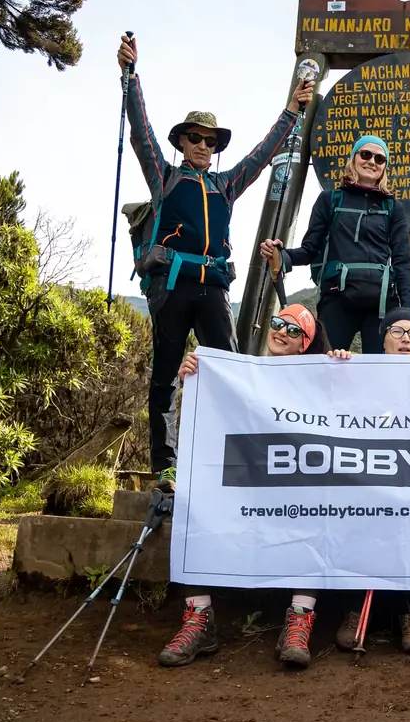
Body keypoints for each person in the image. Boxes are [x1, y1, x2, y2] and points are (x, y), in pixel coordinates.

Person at [116, 34, 314, 481]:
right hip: (171, 286)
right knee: (165, 377)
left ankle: (230, 460)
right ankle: (165, 468)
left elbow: (263, 156)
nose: (203, 145)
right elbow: (140, 132)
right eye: (195, 138)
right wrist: (130, 77)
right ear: (182, 142)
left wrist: (293, 111)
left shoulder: (225, 184)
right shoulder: (164, 177)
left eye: (210, 140)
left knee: (230, 373)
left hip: (213, 289)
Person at [156, 304, 329, 668]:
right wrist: (195, 377)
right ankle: (199, 619)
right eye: (278, 323)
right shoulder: (239, 373)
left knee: (318, 509)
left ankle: (300, 618)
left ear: (305, 345)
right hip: (243, 477)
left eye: (293, 330)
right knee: (196, 505)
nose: (281, 331)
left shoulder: (320, 379)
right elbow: (209, 425)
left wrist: (342, 363)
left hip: (295, 482)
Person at [320, 308, 410, 661]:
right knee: (362, 523)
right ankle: (354, 608)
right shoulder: (363, 367)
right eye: (397, 331)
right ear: (382, 339)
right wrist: (338, 362)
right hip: (369, 470)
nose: (406, 338)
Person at [260, 135, 410, 354]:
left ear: (384, 168)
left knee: (381, 372)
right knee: (326, 365)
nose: (372, 161)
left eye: (379, 159)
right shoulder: (330, 199)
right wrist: (282, 254)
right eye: (366, 154)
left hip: (381, 304)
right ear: (353, 159)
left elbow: (402, 262)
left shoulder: (393, 207)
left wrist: (408, 312)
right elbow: (309, 249)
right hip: (337, 298)